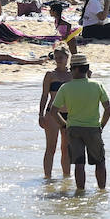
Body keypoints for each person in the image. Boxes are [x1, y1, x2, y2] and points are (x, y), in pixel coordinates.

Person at [52, 53, 110, 191]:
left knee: (79, 163)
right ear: (86, 68)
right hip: (93, 129)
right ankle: (102, 191)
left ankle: (80, 192)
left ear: (76, 69)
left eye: (71, 68)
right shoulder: (97, 85)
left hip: (74, 129)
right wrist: (101, 125)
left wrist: (64, 125)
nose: (70, 71)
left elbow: (53, 111)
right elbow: (108, 109)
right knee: (100, 162)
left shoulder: (66, 88)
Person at [39, 46, 73, 179]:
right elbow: (44, 96)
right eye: (56, 57)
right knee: (50, 148)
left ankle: (66, 178)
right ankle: (47, 178)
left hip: (69, 115)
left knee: (66, 149)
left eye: (61, 57)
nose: (59, 60)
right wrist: (40, 114)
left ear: (67, 58)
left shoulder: (73, 74)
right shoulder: (50, 75)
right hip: (52, 114)